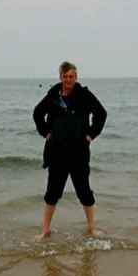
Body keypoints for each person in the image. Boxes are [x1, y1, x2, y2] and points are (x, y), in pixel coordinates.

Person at [32, 61, 107, 238]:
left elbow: (101, 114)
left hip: (79, 153)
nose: (68, 80)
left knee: (85, 192)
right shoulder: (53, 96)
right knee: (52, 193)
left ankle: (91, 228)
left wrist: (90, 135)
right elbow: (37, 113)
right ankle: (45, 230)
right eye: (65, 77)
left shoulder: (84, 95)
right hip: (57, 152)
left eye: (71, 77)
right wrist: (46, 132)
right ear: (60, 77)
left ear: (76, 77)